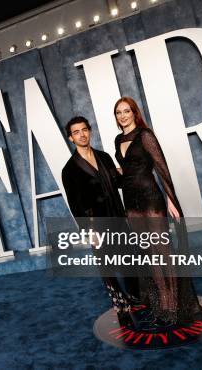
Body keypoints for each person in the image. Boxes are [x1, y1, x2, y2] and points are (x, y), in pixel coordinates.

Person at [113, 97, 202, 328]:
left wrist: (171, 199)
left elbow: (161, 166)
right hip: (131, 203)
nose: (123, 115)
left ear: (135, 113)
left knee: (163, 252)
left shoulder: (145, 135)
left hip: (151, 199)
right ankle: (163, 306)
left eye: (127, 111)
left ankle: (173, 308)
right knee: (149, 255)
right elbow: (127, 173)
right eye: (118, 112)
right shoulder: (118, 140)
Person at [61, 116, 139, 328]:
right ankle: (121, 307)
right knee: (108, 268)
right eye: (76, 132)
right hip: (97, 223)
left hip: (118, 216)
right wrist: (88, 230)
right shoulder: (69, 170)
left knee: (129, 259)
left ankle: (136, 297)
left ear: (90, 131)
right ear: (71, 138)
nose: (82, 134)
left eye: (84, 130)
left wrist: (135, 166)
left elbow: (119, 181)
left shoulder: (104, 157)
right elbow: (75, 205)